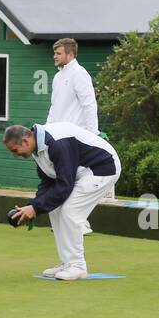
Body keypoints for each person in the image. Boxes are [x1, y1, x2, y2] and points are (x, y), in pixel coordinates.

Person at [3, 122, 120, 281]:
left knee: (70, 211)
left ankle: (77, 266)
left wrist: (35, 208)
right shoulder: (38, 149)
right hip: (82, 173)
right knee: (55, 208)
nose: (15, 155)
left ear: (25, 141)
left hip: (102, 168)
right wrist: (31, 206)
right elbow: (48, 183)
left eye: (15, 151)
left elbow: (64, 185)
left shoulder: (57, 143)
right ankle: (67, 263)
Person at [48, 37, 100, 235]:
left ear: (70, 54)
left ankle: (80, 222)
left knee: (76, 178)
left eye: (58, 53)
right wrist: (46, 131)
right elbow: (54, 108)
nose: (55, 56)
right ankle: (70, 221)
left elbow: (89, 105)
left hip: (76, 138)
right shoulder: (57, 77)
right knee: (63, 177)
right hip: (58, 137)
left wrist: (93, 135)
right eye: (55, 53)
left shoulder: (79, 73)